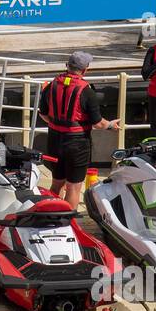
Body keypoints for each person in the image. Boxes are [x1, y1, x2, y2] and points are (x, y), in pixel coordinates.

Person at [38, 51, 120, 208]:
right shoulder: (87, 91)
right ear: (85, 69)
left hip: (54, 140)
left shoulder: (52, 85)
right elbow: (97, 123)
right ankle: (70, 222)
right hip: (77, 143)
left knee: (56, 184)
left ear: (68, 66)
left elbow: (43, 113)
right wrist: (110, 125)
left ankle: (52, 215)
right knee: (74, 187)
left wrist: (58, 125)